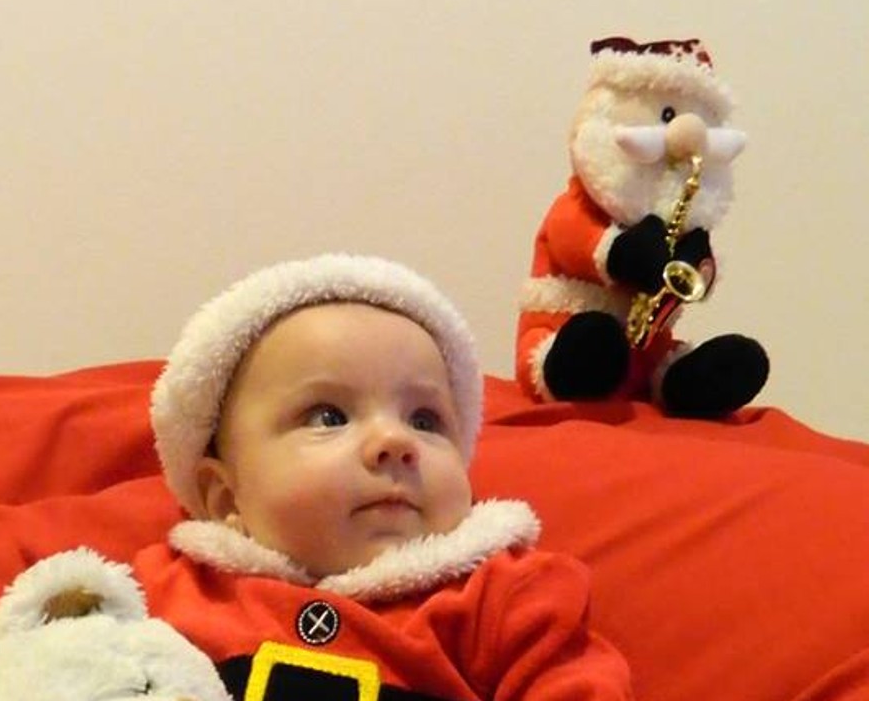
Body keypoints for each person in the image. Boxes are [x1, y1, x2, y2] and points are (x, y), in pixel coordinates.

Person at [136, 253, 633, 701]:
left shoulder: (502, 597)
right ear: (225, 498)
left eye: (425, 420)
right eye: (329, 416)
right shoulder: (171, 590)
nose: (395, 441)